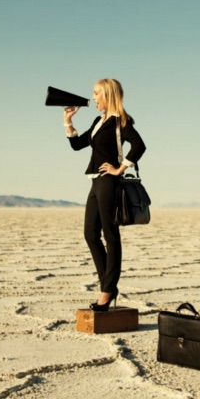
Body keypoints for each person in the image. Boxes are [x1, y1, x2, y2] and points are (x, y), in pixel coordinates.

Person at [63, 78, 146, 311]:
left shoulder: (121, 121)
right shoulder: (99, 121)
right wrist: (68, 122)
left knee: (111, 235)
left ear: (108, 95)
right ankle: (108, 286)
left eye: (97, 93)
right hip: (95, 181)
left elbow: (139, 145)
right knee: (90, 233)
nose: (93, 98)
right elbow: (78, 145)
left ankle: (107, 290)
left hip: (109, 182)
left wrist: (121, 167)